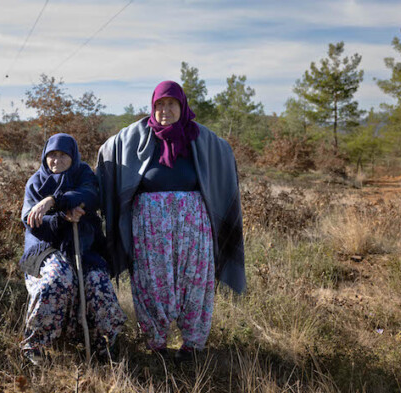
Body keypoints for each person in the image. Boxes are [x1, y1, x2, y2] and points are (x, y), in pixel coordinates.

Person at [97, 81, 245, 362]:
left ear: (182, 106)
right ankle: (156, 342)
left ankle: (192, 344)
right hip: (150, 226)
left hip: (193, 225)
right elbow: (109, 151)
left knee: (195, 280)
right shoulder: (138, 137)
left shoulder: (200, 138)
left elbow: (223, 154)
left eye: (171, 104)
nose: (165, 110)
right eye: (159, 105)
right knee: (152, 280)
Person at [19, 133, 126, 365]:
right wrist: (62, 218)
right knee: (58, 278)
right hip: (47, 248)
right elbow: (31, 221)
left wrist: (55, 201)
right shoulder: (36, 182)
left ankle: (104, 345)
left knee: (98, 282)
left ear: (73, 156)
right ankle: (36, 345)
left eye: (63, 155)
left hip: (84, 246)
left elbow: (90, 194)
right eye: (52, 155)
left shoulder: (83, 173)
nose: (56, 160)